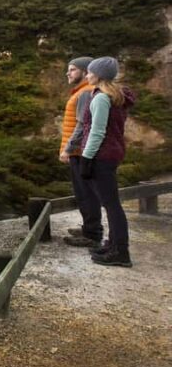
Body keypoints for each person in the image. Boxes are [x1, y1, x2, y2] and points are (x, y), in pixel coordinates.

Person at [79, 56, 136, 267]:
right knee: (111, 203)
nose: (87, 75)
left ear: (99, 75)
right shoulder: (115, 96)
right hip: (111, 153)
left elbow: (97, 132)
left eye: (90, 72)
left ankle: (120, 252)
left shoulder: (101, 98)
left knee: (111, 205)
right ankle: (113, 244)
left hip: (101, 156)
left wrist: (86, 157)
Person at [59, 57, 103, 248]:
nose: (68, 73)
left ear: (86, 72)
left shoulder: (85, 93)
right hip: (79, 151)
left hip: (79, 151)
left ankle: (92, 234)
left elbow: (81, 125)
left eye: (73, 70)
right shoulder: (81, 91)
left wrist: (67, 149)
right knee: (83, 191)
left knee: (86, 192)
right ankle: (89, 228)